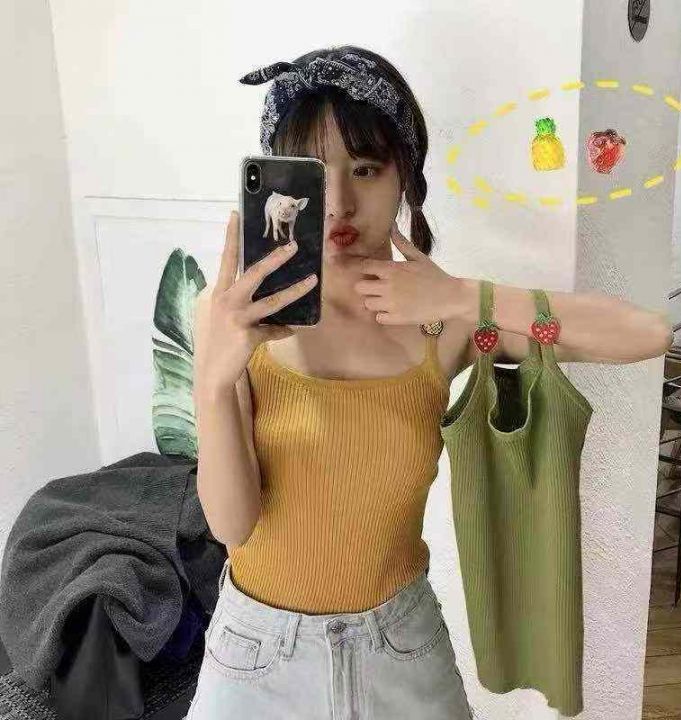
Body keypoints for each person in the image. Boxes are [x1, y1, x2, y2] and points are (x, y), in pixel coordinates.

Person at [187, 45, 480, 720]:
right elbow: (232, 526)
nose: (340, 203)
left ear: (405, 175)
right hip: (256, 658)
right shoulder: (229, 315)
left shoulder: (447, 321)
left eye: (366, 169)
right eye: (313, 175)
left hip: (403, 651)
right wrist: (214, 385)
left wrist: (472, 297)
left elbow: (633, 335)